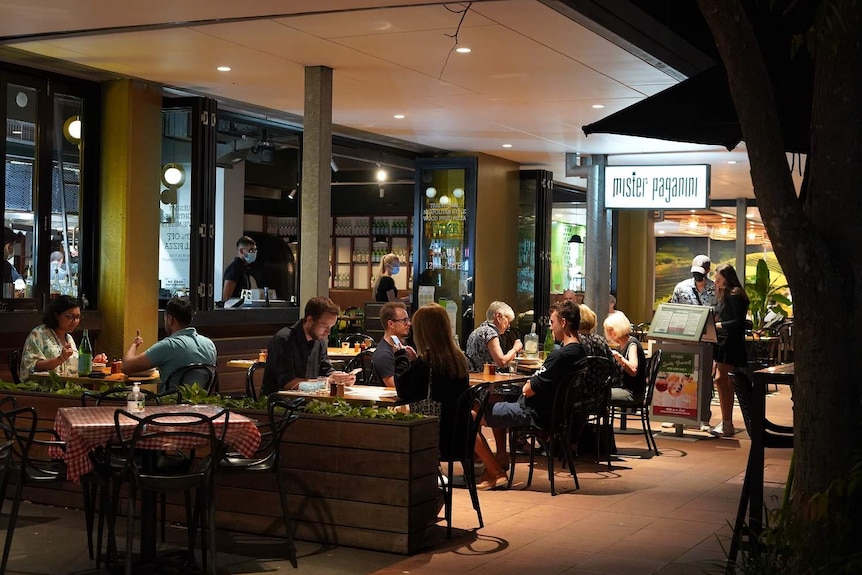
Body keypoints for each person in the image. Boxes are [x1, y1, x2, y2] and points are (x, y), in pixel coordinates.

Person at [483, 301, 587, 470]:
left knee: (473, 413)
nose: (551, 328)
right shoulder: (581, 353)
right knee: (497, 399)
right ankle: (499, 459)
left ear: (563, 322)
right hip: (557, 416)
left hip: (534, 415)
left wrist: (529, 384)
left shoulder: (559, 356)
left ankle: (492, 468)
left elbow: (528, 390)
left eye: (552, 323)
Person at [260, 296, 355, 395]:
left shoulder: (318, 341)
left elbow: (325, 370)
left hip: (307, 401)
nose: (328, 332)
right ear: (309, 320)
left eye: (331, 327)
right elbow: (287, 383)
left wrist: (339, 378)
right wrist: (326, 382)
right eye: (324, 326)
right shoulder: (283, 340)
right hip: (279, 404)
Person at [123, 297, 217, 393]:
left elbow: (126, 367)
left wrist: (135, 344)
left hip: (170, 405)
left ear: (169, 319)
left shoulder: (168, 346)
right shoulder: (209, 345)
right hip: (201, 405)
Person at [20, 295, 107, 381]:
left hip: (67, 387)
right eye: (70, 316)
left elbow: (74, 365)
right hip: (43, 389)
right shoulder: (38, 334)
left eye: (78, 317)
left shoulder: (68, 338)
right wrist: (60, 359)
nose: (75, 321)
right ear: (57, 315)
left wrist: (92, 363)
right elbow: (32, 366)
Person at [709, 264, 749, 437]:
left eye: (719, 277)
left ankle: (727, 423)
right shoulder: (725, 295)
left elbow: (739, 321)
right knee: (724, 381)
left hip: (730, 344)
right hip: (723, 342)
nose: (716, 281)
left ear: (727, 277)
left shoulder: (735, 294)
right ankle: (726, 422)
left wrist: (719, 325)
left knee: (721, 380)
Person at [465, 301, 523, 372]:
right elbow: (502, 362)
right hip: (486, 378)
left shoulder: (477, 331)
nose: (508, 325)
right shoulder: (490, 332)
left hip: (474, 377)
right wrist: (515, 348)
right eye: (508, 321)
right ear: (498, 317)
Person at [603, 311, 646, 403]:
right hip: (623, 389)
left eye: (611, 329)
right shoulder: (620, 346)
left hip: (633, 393)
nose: (608, 333)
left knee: (600, 393)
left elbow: (633, 370)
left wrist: (619, 358)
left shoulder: (632, 344)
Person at [370, 301, 416, 387]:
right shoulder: (384, 355)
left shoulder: (401, 349)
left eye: (408, 320)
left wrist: (414, 361)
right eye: (404, 320)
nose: (409, 323)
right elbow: (396, 387)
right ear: (391, 324)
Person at [221, 235, 264, 303]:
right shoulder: (234, 269)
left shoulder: (244, 268)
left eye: (255, 250)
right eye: (251, 250)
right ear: (241, 251)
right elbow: (226, 297)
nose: (253, 253)